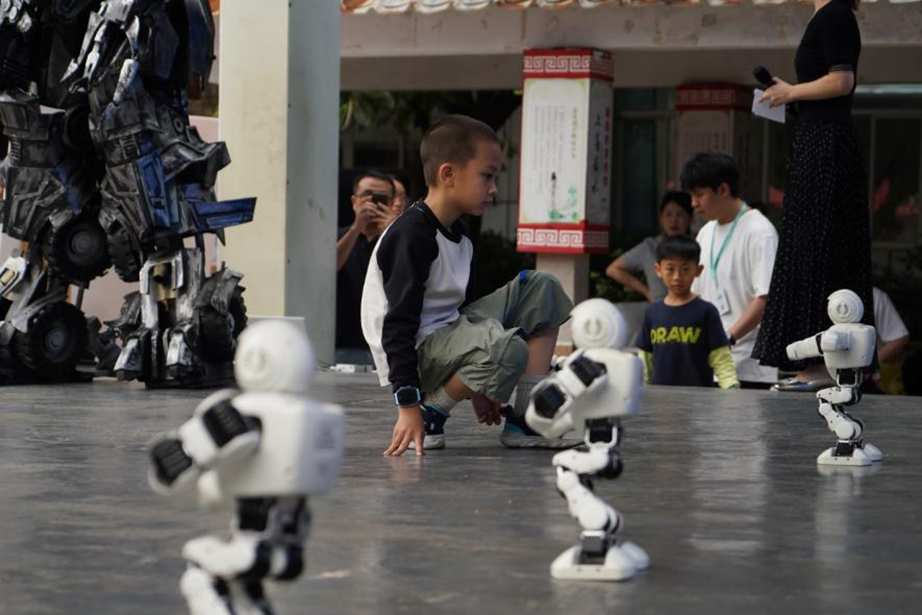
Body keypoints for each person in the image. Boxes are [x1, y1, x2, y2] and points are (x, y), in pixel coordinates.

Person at [361, 114, 574, 457]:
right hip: (416, 353)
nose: (494, 188)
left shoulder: (460, 233)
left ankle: (526, 420)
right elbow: (396, 328)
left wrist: (481, 386)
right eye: (486, 176)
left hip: (450, 335)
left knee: (543, 289)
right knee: (509, 349)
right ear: (448, 174)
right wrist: (408, 405)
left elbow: (464, 311)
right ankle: (432, 412)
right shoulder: (412, 235)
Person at [752, 0, 874, 384]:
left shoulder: (835, 12)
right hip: (816, 140)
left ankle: (821, 363)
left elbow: (842, 81)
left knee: (820, 246)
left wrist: (792, 92)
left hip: (826, 146)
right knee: (809, 246)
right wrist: (790, 97)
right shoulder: (826, 14)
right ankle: (811, 362)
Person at [681, 153, 779, 388]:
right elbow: (695, 295)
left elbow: (766, 299)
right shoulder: (706, 232)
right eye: (691, 196)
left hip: (748, 368)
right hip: (707, 366)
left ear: (723, 189)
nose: (693, 203)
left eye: (699, 195)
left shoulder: (760, 232)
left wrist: (728, 338)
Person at [636, 236, 739, 389]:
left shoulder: (706, 311)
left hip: (699, 398)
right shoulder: (652, 313)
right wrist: (641, 392)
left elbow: (721, 357)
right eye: (670, 269)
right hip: (659, 399)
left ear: (698, 270)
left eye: (685, 269)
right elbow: (645, 361)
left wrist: (731, 389)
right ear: (658, 270)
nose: (677, 277)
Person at [773, 287, 909, 392]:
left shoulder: (875, 296)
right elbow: (820, 342)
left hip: (862, 380)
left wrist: (868, 364)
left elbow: (898, 338)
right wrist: (795, 351)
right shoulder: (813, 294)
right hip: (820, 379)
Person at [335, 170, 402, 355]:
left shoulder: (400, 239)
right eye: (367, 196)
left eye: (382, 198)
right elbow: (329, 268)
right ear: (354, 201)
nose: (374, 203)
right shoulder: (337, 236)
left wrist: (392, 234)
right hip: (342, 342)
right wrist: (357, 227)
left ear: (392, 203)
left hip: (387, 345)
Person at [605, 191, 693, 302]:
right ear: (661, 217)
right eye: (668, 214)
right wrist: (646, 292)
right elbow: (613, 269)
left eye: (679, 215)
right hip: (660, 308)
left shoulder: (700, 245)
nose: (673, 220)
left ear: (690, 218)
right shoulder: (650, 247)